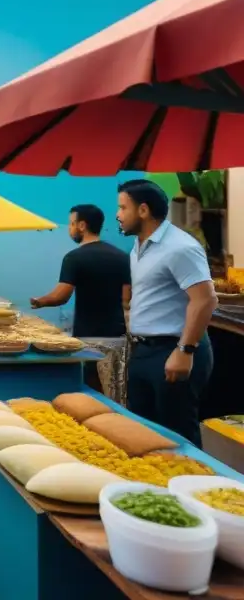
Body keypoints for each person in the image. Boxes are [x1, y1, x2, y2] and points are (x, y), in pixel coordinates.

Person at [117, 179, 217, 447]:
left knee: (177, 436)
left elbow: (205, 299)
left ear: (143, 210)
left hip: (175, 349)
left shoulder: (180, 247)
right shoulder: (139, 247)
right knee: (143, 433)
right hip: (144, 350)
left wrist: (185, 350)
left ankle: (192, 486)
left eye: (123, 207)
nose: (117, 215)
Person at [31, 204, 132, 393]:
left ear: (82, 226)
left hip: (89, 337)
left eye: (71, 224)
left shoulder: (75, 257)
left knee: (91, 390)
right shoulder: (122, 257)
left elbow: (61, 296)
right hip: (117, 336)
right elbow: (127, 298)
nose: (70, 229)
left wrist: (40, 301)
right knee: (115, 392)